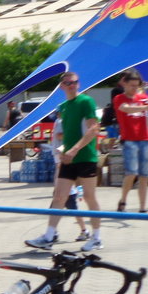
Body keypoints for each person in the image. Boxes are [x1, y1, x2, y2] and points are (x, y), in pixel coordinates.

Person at [25, 72, 103, 252]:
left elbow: (94, 129)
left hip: (86, 157)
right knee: (59, 196)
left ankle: (97, 237)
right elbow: (67, 136)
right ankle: (49, 236)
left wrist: (75, 149)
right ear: (61, 86)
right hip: (69, 159)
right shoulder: (64, 107)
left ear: (78, 83)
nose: (71, 85)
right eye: (67, 83)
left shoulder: (86, 102)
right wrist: (62, 151)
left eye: (74, 82)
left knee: (90, 197)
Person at [115, 68, 148, 213]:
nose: (134, 89)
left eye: (136, 86)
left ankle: (143, 207)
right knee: (131, 173)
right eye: (131, 85)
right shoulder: (119, 98)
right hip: (129, 140)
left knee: (145, 174)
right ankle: (123, 200)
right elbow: (125, 109)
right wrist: (147, 106)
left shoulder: (143, 97)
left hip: (145, 139)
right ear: (124, 84)